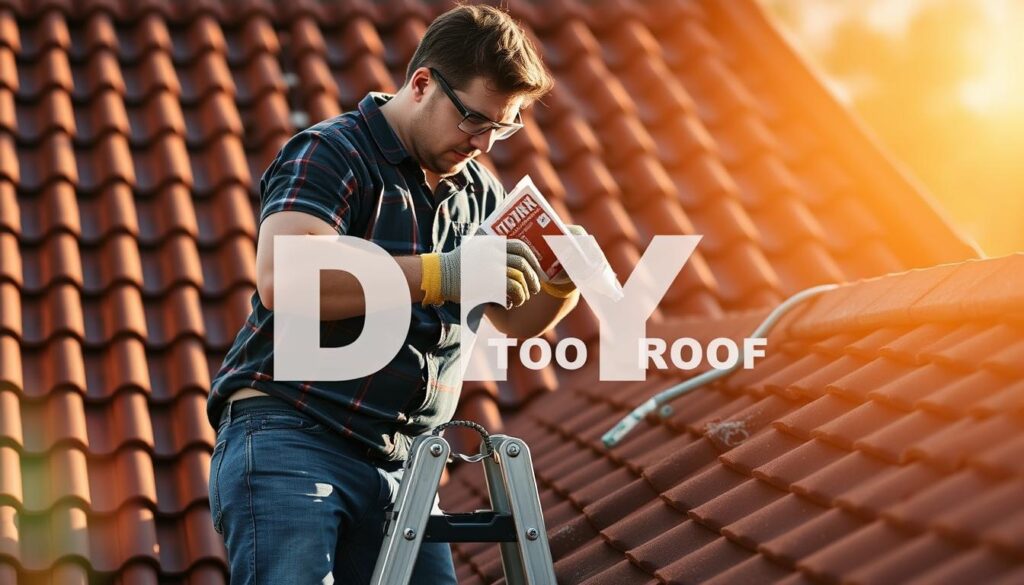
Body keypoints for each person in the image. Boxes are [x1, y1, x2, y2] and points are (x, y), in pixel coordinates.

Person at [206, 5, 584, 583]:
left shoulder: (476, 189)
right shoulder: (333, 152)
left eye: (501, 128)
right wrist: (442, 275)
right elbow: (286, 277)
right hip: (293, 436)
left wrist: (561, 280)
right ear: (423, 83)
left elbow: (515, 322)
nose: (483, 143)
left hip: (406, 464)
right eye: (474, 120)